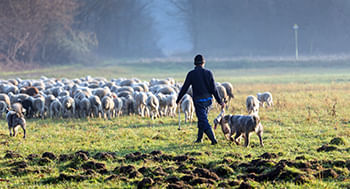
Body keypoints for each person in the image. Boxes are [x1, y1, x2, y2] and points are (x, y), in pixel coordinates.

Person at [176, 54, 225, 145]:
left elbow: (185, 87)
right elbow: (214, 89)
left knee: (203, 120)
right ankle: (199, 138)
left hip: (198, 101)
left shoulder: (191, 74)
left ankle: (213, 140)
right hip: (209, 101)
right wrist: (220, 101)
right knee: (202, 118)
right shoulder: (208, 73)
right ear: (203, 63)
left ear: (194, 63)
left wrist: (178, 99)